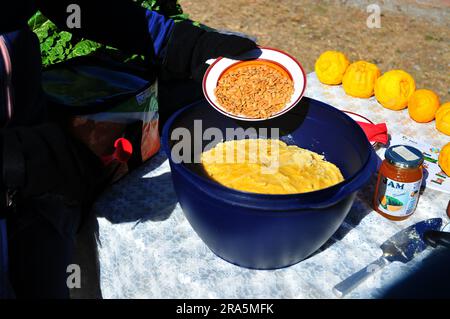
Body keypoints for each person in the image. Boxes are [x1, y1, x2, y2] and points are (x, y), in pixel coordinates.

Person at [0, 0, 256, 298]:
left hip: (33, 159)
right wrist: (16, 159)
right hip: (26, 162)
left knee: (46, 274)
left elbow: (73, 6)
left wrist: (180, 43)